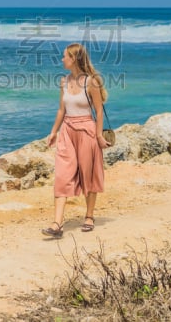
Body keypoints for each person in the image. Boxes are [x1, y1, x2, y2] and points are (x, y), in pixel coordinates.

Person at [42, 43, 109, 238]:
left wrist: (99, 136)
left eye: (65, 57)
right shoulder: (64, 81)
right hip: (67, 131)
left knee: (87, 174)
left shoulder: (91, 82)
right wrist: (53, 131)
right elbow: (61, 110)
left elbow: (98, 110)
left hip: (86, 131)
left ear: (74, 59)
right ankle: (57, 224)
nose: (62, 60)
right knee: (62, 175)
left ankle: (89, 216)